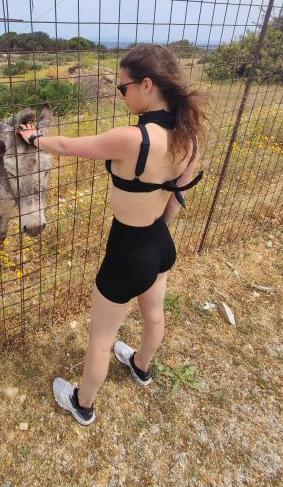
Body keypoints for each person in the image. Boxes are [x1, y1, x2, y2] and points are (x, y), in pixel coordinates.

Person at [17, 43, 207, 426]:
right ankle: (141, 366)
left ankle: (82, 403)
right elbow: (176, 197)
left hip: (127, 250)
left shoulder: (134, 138)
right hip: (159, 244)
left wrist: (34, 138)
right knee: (153, 317)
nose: (122, 96)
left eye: (123, 88)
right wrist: (157, 239)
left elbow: (69, 146)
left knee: (100, 339)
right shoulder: (191, 136)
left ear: (147, 85)